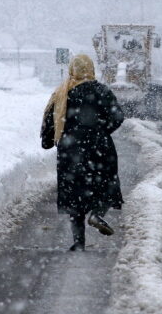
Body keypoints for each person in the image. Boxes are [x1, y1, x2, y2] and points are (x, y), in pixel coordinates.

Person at [41, 54, 125, 251]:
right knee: (105, 185)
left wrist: (49, 139)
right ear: (91, 69)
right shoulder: (101, 91)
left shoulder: (62, 93)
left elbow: (51, 119)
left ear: (72, 69)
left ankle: (79, 242)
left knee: (74, 194)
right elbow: (118, 116)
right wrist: (102, 130)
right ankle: (96, 213)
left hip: (70, 150)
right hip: (100, 148)